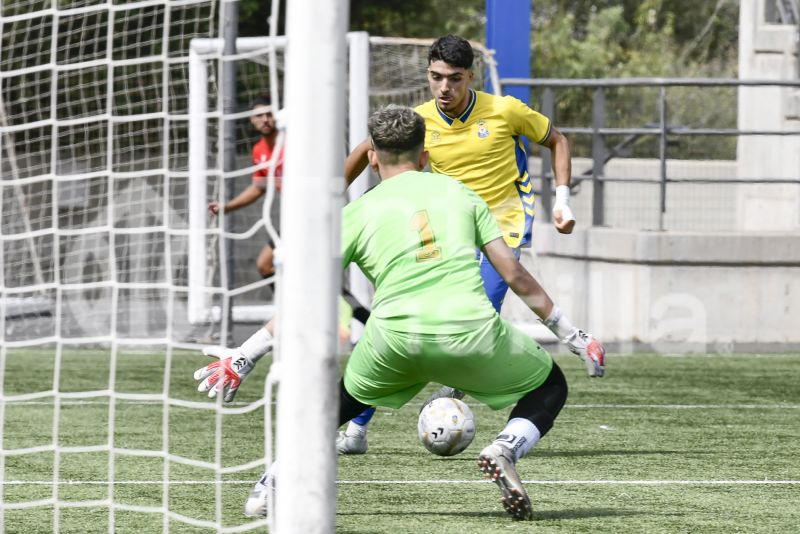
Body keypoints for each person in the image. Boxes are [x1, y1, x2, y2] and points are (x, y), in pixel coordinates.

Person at [193, 106, 605, 521]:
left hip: (392, 341)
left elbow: (307, 298)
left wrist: (245, 354)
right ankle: (505, 447)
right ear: (424, 156)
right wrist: (573, 334)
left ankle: (272, 484)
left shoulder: (352, 215)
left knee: (334, 409)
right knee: (549, 386)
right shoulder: (462, 194)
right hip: (470, 333)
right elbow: (514, 274)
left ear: (372, 158)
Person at [339, 34, 581, 453]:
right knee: (401, 327)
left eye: (454, 78)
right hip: (443, 229)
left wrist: (562, 198)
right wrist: (328, 197)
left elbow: (558, 140)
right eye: (436, 78)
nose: (444, 88)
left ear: (471, 75)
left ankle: (450, 390)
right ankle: (357, 427)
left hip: (500, 228)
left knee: (469, 319)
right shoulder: (417, 121)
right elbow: (366, 149)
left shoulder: (505, 111)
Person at [208, 96, 283, 278]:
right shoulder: (259, 150)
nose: (265, 119)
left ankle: (351, 307)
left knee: (310, 266)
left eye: (269, 114)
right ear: (252, 120)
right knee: (266, 265)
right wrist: (226, 207)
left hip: (312, 213)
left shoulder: (293, 142)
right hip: (293, 219)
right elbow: (258, 187)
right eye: (259, 116)